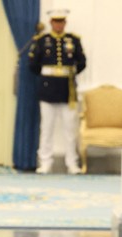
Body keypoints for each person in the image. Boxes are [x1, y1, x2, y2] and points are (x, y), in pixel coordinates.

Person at [28, 8, 86, 175]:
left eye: (61, 22)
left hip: (67, 89)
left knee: (70, 129)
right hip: (48, 89)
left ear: (65, 23)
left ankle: (72, 163)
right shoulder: (41, 41)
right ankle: (45, 162)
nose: (59, 25)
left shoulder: (73, 40)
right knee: (47, 128)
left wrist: (71, 73)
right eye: (56, 22)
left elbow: (82, 62)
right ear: (51, 22)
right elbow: (33, 64)